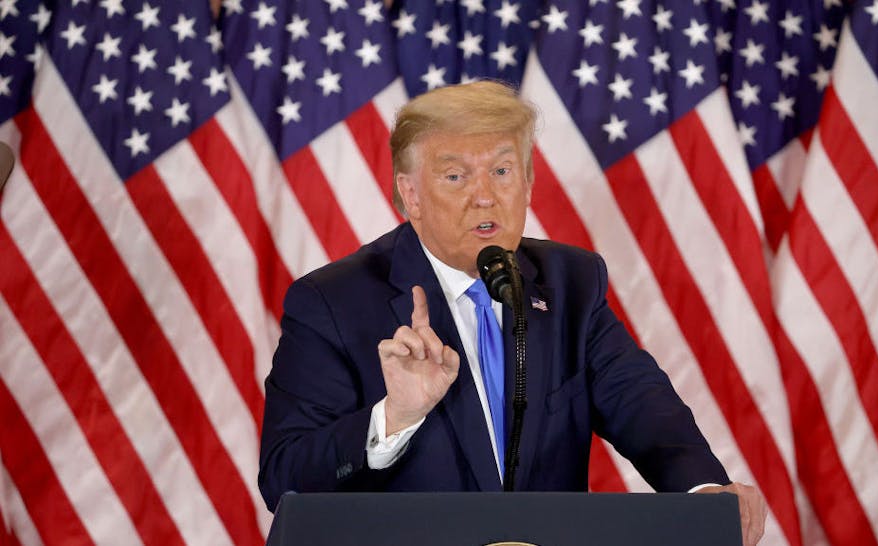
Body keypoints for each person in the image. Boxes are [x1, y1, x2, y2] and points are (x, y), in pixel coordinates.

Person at [259, 81, 766, 545]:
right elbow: (285, 478)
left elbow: (643, 406)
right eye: (455, 175)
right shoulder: (332, 302)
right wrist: (393, 419)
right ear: (410, 194)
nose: (485, 196)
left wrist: (703, 489)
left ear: (526, 184)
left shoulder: (571, 283)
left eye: (502, 171)